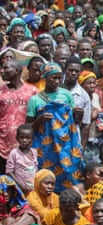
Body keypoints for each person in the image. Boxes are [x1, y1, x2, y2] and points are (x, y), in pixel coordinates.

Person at [26, 62, 84, 192]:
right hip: (45, 146)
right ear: (45, 78)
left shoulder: (66, 95)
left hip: (66, 144)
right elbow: (27, 127)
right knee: (45, 176)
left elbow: (74, 122)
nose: (57, 81)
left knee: (69, 174)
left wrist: (79, 114)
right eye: (54, 77)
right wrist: (39, 120)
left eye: (59, 77)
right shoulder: (35, 100)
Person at [0, 59, 38, 175]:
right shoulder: (0, 91)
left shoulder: (32, 91)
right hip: (2, 144)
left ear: (16, 71)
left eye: (6, 68)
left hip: (24, 145)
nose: (2, 71)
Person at [6, 124, 37, 193]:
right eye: (22, 137)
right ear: (17, 138)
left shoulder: (34, 152)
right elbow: (9, 171)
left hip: (32, 187)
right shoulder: (14, 153)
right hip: (19, 188)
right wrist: (21, 186)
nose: (24, 140)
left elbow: (35, 168)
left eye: (28, 138)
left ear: (32, 139)